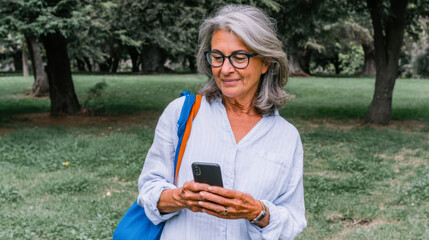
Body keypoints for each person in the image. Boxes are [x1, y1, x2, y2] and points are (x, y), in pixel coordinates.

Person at [137, 4, 306, 240]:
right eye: (217, 57)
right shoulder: (182, 113)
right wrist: (180, 197)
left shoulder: (286, 136)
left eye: (239, 57)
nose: (225, 69)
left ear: (266, 62)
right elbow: (148, 189)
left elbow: (292, 220)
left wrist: (256, 211)